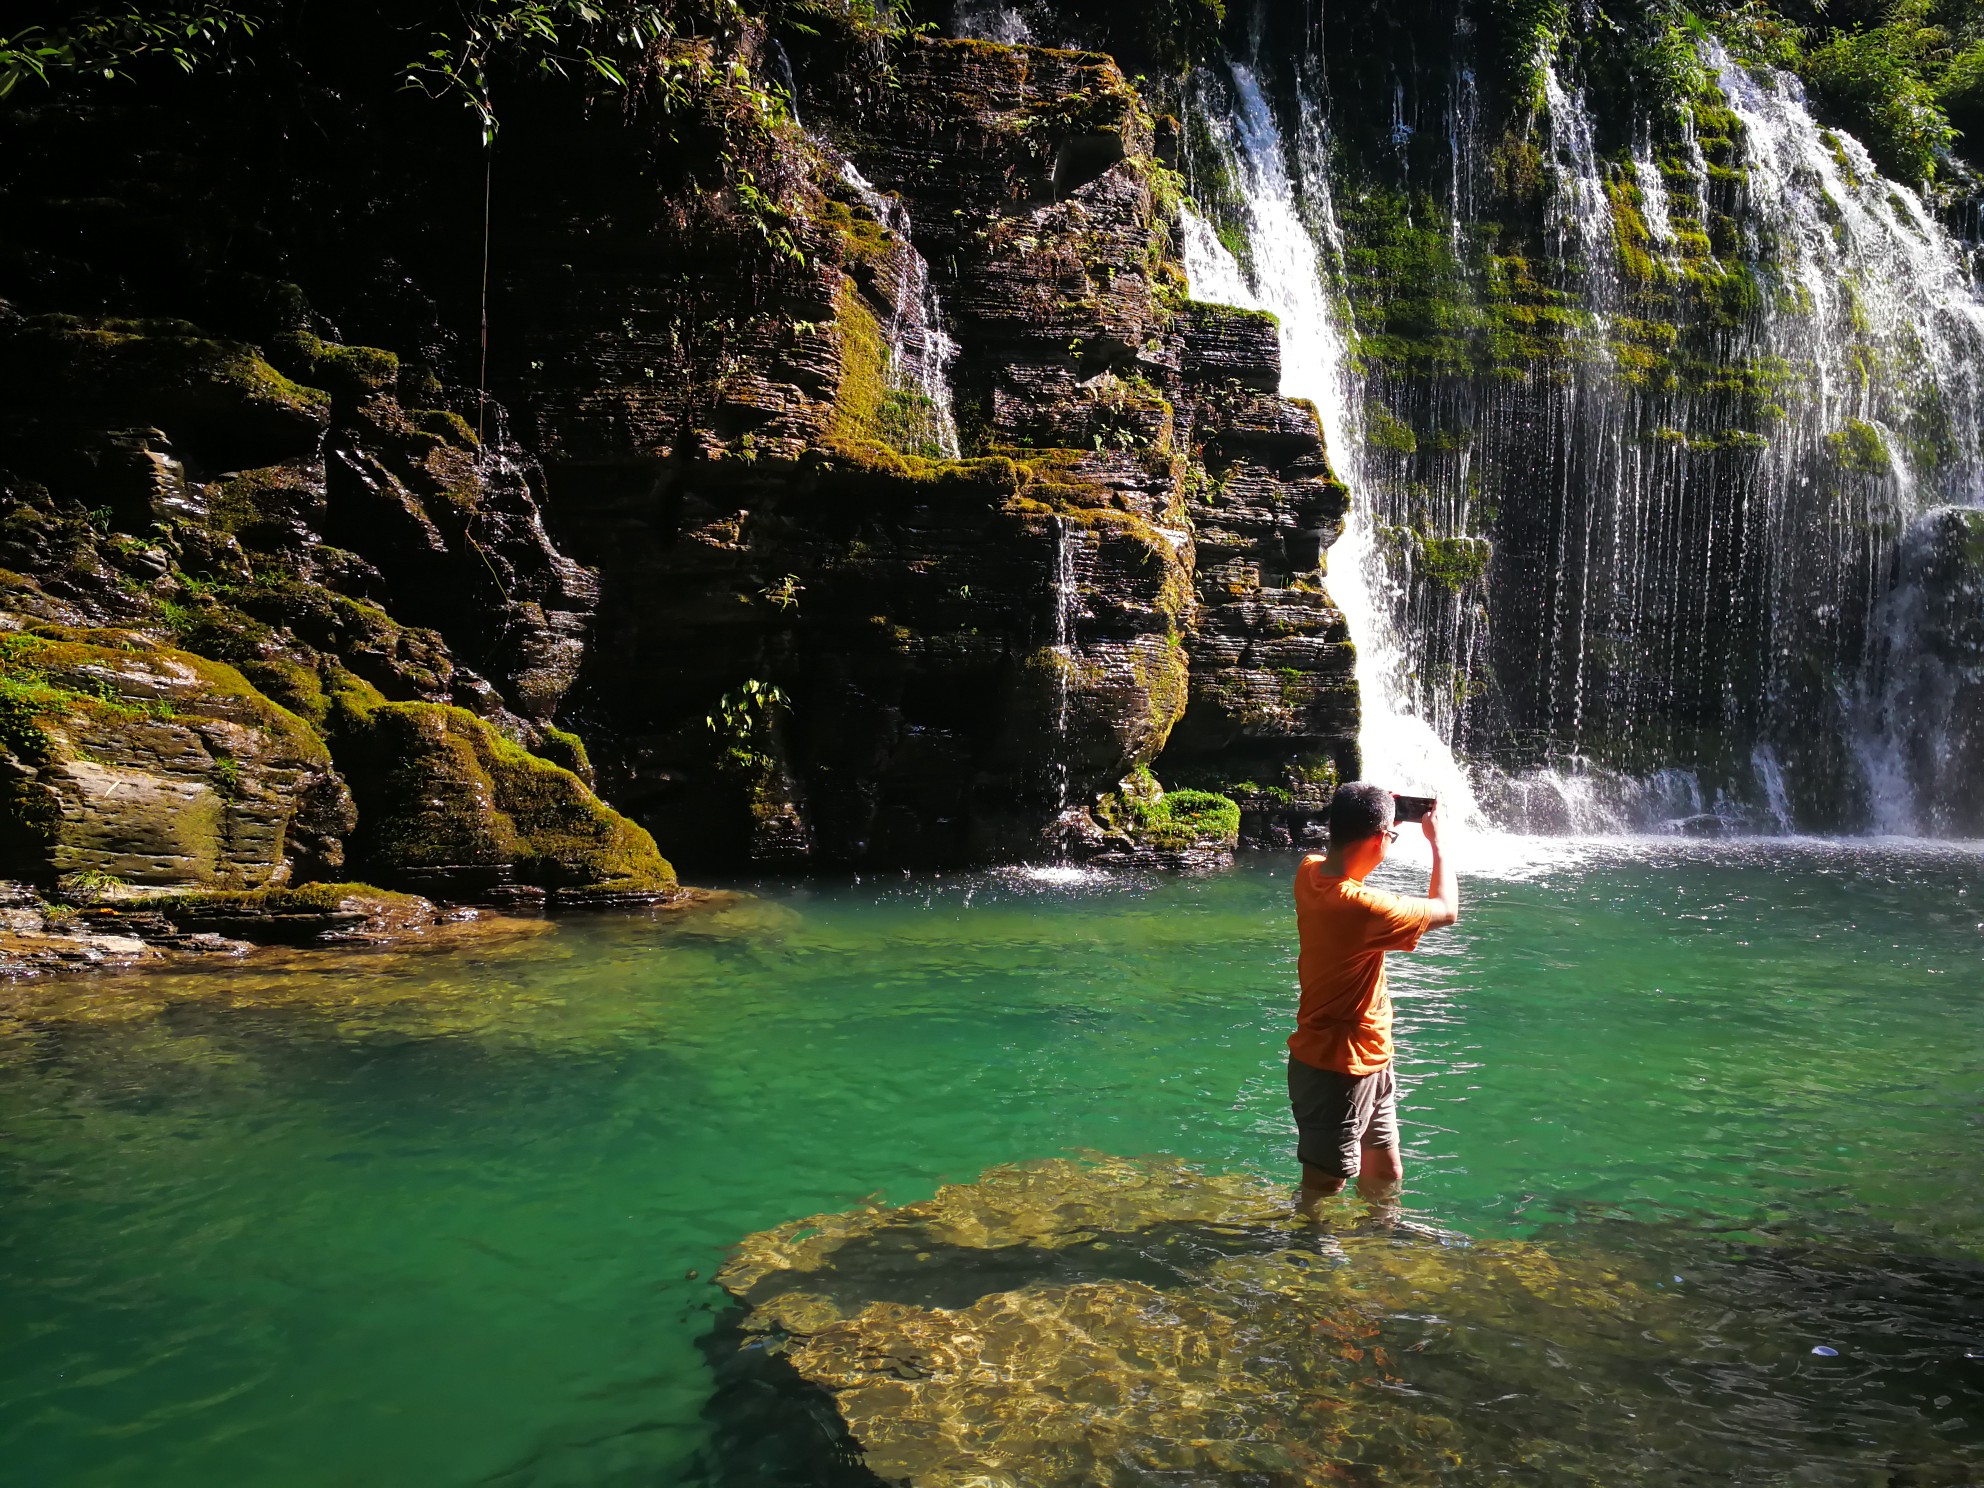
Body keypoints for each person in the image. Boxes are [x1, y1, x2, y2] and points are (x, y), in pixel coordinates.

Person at [1287, 782, 1459, 1205]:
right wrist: (1438, 844)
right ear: (1381, 838)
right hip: (1336, 1067)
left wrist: (1382, 819)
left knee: (1385, 1171)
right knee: (1325, 1186)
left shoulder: (1309, 871)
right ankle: (1304, 1255)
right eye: (1390, 837)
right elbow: (1447, 908)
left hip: (1373, 1059)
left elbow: (1349, 856)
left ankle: (1377, 1245)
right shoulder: (1364, 908)